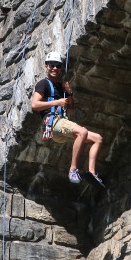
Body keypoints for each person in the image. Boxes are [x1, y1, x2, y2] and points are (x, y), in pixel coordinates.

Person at [31, 52, 104, 186]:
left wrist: (69, 92)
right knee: (82, 132)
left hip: (62, 123)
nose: (54, 68)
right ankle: (73, 169)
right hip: (53, 122)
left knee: (98, 139)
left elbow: (70, 109)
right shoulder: (43, 84)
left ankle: (92, 173)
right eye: (51, 65)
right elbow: (35, 105)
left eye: (57, 66)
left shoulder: (61, 86)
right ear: (46, 67)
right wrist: (56, 103)